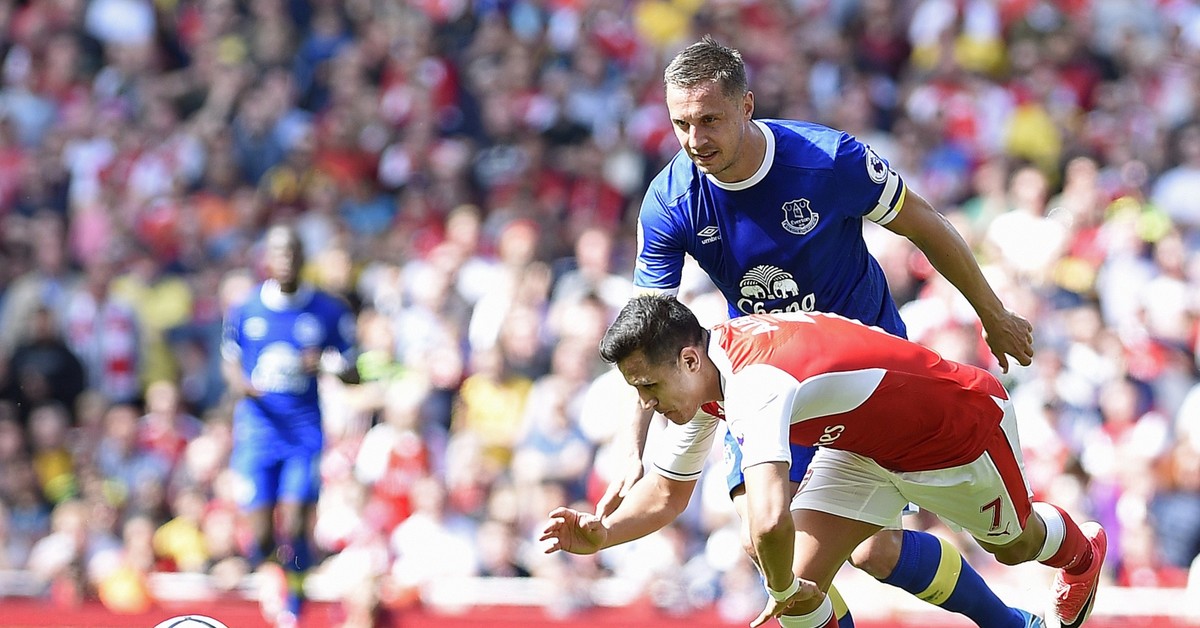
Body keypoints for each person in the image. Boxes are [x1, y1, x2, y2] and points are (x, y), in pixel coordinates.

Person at [598, 35, 1036, 628]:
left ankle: (1011, 622)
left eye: (709, 120)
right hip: (765, 376)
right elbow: (645, 336)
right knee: (765, 543)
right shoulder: (671, 201)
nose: (695, 140)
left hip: (861, 370)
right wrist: (632, 448)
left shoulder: (826, 160)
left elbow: (924, 224)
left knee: (876, 551)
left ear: (746, 105)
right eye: (681, 124)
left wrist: (993, 313)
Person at [545, 295, 1106, 628]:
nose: (644, 404)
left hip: (954, 432)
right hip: (861, 447)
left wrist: (784, 588)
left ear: (688, 360)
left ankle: (1083, 555)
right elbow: (669, 492)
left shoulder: (754, 382)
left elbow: (769, 520)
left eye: (647, 386)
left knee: (1017, 546)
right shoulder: (704, 373)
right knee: (800, 592)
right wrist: (604, 535)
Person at [221, 225, 360, 626]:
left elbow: (353, 370)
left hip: (303, 430)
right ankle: (275, 580)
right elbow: (230, 360)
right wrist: (242, 387)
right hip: (259, 429)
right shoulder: (246, 309)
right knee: (262, 533)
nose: (285, 260)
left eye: (292, 252)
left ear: (302, 258)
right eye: (278, 253)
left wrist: (326, 364)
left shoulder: (327, 310)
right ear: (267, 258)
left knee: (297, 518)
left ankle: (295, 603)